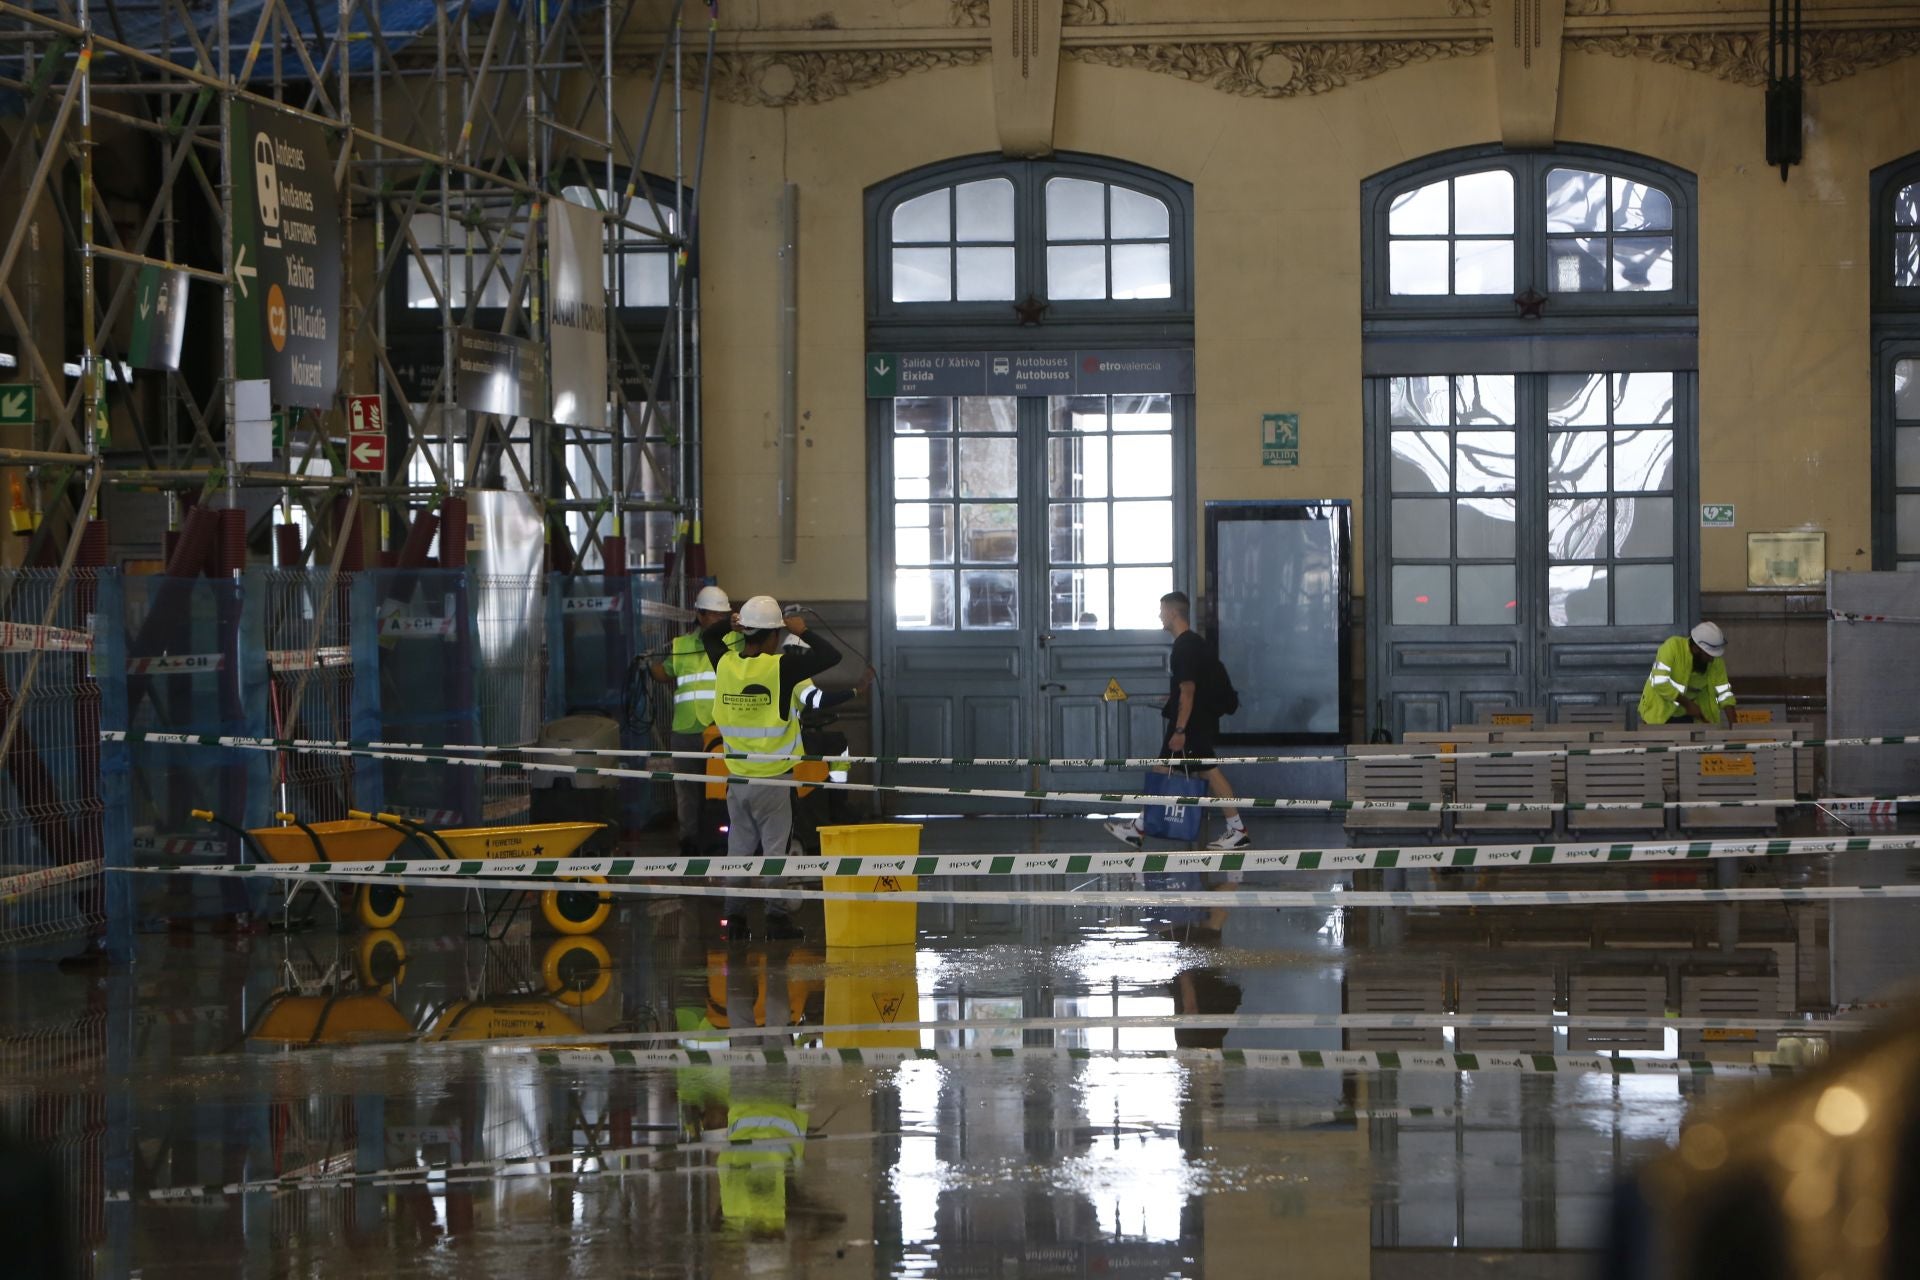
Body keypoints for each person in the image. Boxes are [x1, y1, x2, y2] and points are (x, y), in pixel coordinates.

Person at [704, 595, 841, 940]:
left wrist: (728, 624)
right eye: (778, 634)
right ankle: (776, 919)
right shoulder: (780, 667)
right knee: (774, 851)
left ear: (746, 631)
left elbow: (708, 638)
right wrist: (803, 630)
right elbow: (831, 656)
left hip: (736, 780)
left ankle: (734, 920)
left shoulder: (725, 664)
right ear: (771, 637)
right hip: (774, 781)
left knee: (739, 849)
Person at [1106, 590, 1249, 851]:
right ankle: (1138, 828)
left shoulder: (1184, 647)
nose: (1159, 616)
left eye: (1162, 611)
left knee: (1208, 771)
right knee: (1165, 770)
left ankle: (1237, 829)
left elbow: (1189, 690)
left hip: (1190, 724)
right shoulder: (1193, 643)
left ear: (1173, 613)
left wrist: (1180, 728)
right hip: (1195, 719)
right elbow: (1192, 686)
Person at [653, 584, 737, 854]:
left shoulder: (736, 642)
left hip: (722, 730)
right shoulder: (681, 646)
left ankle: (723, 839)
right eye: (713, 615)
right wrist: (645, 665)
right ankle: (689, 842)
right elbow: (664, 673)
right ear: (699, 616)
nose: (718, 620)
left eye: (722, 615)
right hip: (687, 730)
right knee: (688, 790)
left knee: (724, 789)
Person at [1639, 621, 1735, 726]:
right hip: (1659, 713)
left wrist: (1734, 726)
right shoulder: (1672, 647)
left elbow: (1724, 692)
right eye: (1708, 655)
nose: (1711, 659)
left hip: (1687, 715)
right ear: (1696, 649)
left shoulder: (1715, 660)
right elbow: (1659, 682)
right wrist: (1688, 704)